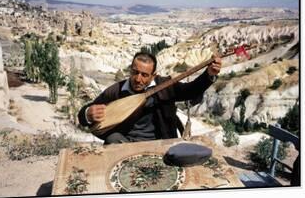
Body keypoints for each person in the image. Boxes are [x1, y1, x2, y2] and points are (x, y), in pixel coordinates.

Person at [78, 51, 222, 144]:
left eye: (145, 75)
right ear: (130, 70)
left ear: (153, 75)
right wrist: (87, 113)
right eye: (135, 72)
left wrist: (209, 74)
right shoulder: (116, 91)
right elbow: (85, 113)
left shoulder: (166, 86)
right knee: (112, 140)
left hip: (160, 141)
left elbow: (190, 91)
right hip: (126, 142)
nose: (138, 79)